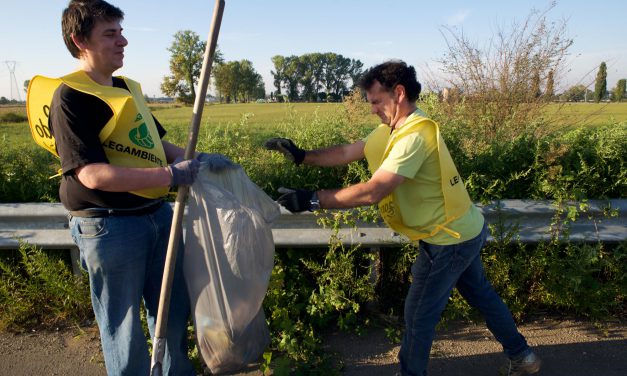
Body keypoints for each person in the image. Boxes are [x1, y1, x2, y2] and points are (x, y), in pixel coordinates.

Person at [264, 60, 541, 376]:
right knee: (481, 296)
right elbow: (345, 153)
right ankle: (523, 358)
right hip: (464, 229)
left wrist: (314, 199)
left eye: (376, 102)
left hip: (447, 239)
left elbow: (373, 192)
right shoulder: (393, 129)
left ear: (398, 93)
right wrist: (303, 156)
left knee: (419, 313)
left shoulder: (414, 137)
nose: (372, 110)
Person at [30, 1, 233, 374]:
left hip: (157, 217)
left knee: (172, 315)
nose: (122, 41)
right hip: (110, 225)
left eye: (121, 32)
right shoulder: (71, 97)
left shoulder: (127, 88)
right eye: (110, 34)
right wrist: (170, 177)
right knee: (122, 328)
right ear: (80, 41)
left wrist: (199, 160)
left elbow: (157, 148)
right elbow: (91, 174)